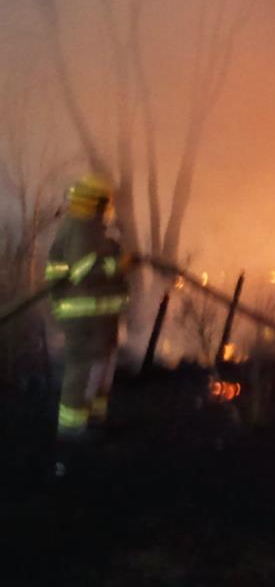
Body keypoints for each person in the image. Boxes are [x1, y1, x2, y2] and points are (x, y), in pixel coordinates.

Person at [45, 174, 132, 441]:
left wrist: (116, 253)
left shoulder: (92, 228)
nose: (110, 210)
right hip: (82, 315)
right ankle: (72, 429)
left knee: (101, 368)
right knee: (84, 367)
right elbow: (85, 271)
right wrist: (118, 264)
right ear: (97, 203)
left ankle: (93, 420)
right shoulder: (79, 228)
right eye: (107, 204)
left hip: (98, 314)